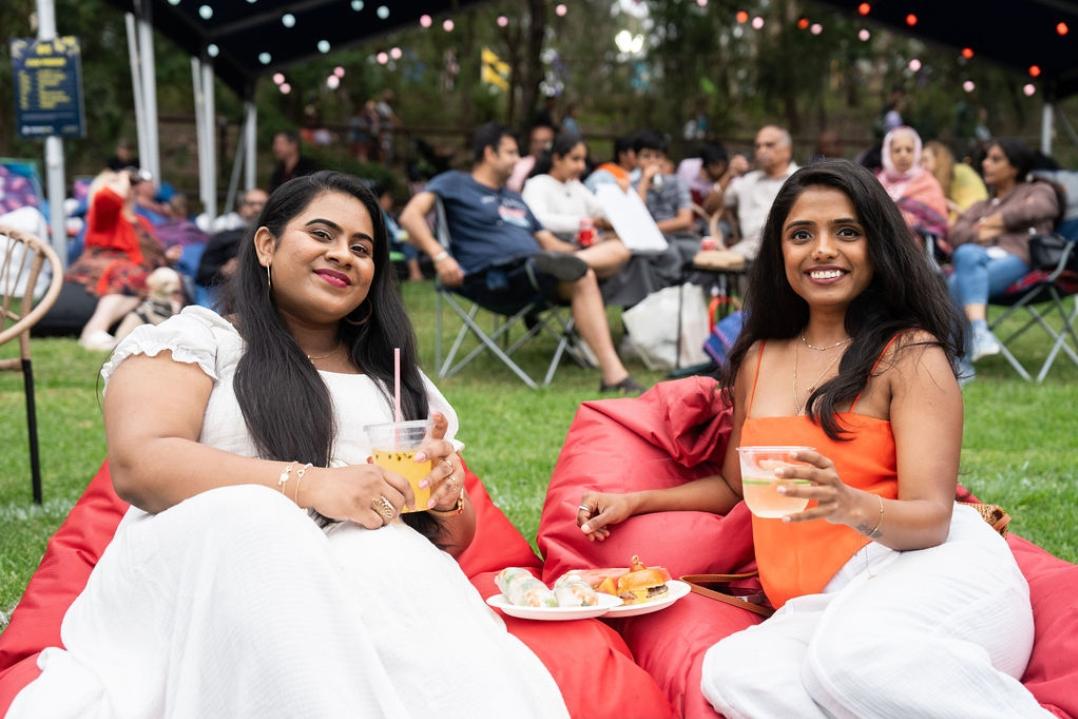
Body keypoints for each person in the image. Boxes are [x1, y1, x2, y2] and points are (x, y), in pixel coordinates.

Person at [7, 171, 569, 719]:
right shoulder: (197, 340)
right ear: (266, 245)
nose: (345, 255)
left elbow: (448, 539)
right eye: (322, 235)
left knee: (395, 553)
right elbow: (139, 462)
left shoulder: (397, 384)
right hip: (207, 566)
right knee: (261, 519)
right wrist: (312, 485)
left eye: (362, 247)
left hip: (367, 584)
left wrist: (446, 500)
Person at [573, 159, 1046, 717]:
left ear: (879, 246)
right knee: (734, 675)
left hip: (927, 571)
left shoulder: (910, 356)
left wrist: (847, 503)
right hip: (824, 607)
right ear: (780, 253)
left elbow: (931, 521)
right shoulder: (757, 358)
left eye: (847, 232)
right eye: (802, 235)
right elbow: (735, 486)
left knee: (848, 662)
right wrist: (634, 501)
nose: (823, 249)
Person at [399, 123, 643, 394]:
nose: (518, 159)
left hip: (539, 268)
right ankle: (571, 266)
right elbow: (410, 215)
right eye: (511, 152)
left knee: (613, 253)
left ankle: (613, 374)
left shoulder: (515, 198)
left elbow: (548, 242)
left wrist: (581, 250)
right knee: (573, 270)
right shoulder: (455, 182)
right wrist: (440, 255)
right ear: (490, 153)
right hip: (495, 276)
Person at [949, 139, 1060, 368]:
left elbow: (1040, 207)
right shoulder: (982, 204)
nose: (986, 164)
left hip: (1021, 260)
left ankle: (959, 363)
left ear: (1015, 167)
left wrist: (996, 222)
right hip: (979, 263)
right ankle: (979, 333)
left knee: (956, 281)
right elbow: (956, 234)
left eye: (996, 159)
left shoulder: (1038, 189)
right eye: (987, 159)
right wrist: (986, 232)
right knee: (966, 255)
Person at [64, 170, 178, 351]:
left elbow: (152, 253)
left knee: (160, 278)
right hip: (104, 264)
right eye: (114, 182)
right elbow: (106, 198)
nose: (126, 186)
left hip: (138, 270)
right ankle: (94, 329)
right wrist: (123, 178)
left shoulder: (141, 220)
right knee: (131, 274)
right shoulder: (104, 215)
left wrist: (168, 256)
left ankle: (126, 337)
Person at [522, 132, 631, 279]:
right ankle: (566, 263)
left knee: (621, 247)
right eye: (575, 159)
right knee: (616, 253)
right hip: (549, 249)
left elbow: (600, 211)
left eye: (583, 160)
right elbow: (538, 220)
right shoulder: (537, 184)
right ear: (557, 159)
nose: (581, 166)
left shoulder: (575, 186)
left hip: (578, 250)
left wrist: (618, 199)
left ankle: (573, 262)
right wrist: (585, 222)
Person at [718, 125, 799, 260]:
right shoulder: (748, 181)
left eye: (769, 145)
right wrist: (729, 175)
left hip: (786, 251)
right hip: (748, 253)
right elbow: (711, 207)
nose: (762, 151)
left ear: (787, 150)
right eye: (758, 146)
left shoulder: (802, 179)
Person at [632, 130, 698, 264]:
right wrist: (644, 181)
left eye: (657, 156)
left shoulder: (677, 182)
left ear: (664, 159)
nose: (652, 161)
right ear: (636, 159)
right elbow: (636, 217)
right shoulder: (632, 186)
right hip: (644, 240)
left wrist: (650, 228)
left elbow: (685, 220)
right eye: (646, 156)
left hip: (677, 237)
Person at [875, 127, 949, 244]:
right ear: (888, 153)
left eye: (909, 150)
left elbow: (939, 223)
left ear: (917, 152)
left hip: (914, 247)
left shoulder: (928, 182)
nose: (903, 155)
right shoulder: (877, 182)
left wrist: (907, 222)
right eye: (897, 150)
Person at [196, 188, 268, 291]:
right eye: (251, 204)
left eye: (262, 204)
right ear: (241, 207)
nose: (257, 209)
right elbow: (202, 273)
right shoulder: (224, 236)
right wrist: (223, 271)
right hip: (233, 292)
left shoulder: (279, 235)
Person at [921, 140, 989, 224]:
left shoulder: (960, 172)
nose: (922, 166)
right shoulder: (933, 182)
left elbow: (972, 212)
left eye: (925, 160)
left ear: (938, 159)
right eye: (920, 162)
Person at [676, 142, 735, 214]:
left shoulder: (727, 177)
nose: (721, 169)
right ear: (706, 164)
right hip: (684, 211)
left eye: (723, 164)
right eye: (716, 165)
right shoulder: (686, 166)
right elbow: (676, 194)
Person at [507, 119, 556, 193]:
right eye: (535, 141)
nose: (539, 146)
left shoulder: (559, 166)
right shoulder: (519, 165)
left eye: (545, 142)